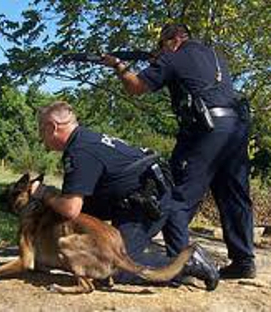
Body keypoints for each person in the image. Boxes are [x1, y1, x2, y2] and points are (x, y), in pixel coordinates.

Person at [102, 23, 255, 279]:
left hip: (204, 131)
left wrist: (118, 65)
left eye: (161, 46)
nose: (160, 52)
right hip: (236, 129)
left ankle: (181, 264)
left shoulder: (175, 55)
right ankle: (243, 261)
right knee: (234, 197)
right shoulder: (215, 56)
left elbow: (136, 87)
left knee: (176, 197)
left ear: (172, 40)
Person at [38, 100, 219, 290]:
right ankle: (182, 262)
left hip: (145, 203)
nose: (42, 140)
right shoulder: (88, 138)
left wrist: (44, 194)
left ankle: (189, 263)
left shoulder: (79, 151)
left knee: (117, 265)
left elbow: (70, 209)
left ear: (52, 127)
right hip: (155, 190)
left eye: (41, 132)